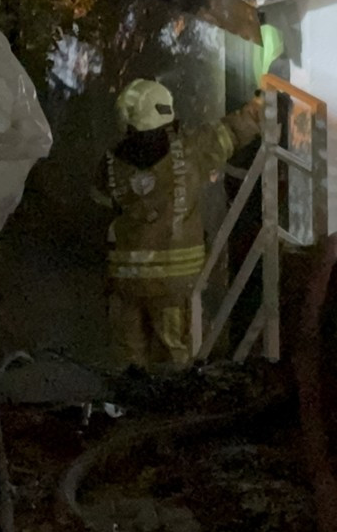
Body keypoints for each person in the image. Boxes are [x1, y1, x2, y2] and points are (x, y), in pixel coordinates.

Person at [92, 79, 264, 368]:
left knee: (128, 363)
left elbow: (102, 208)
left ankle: (132, 410)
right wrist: (262, 102)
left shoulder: (109, 163)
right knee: (177, 360)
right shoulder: (192, 150)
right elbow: (234, 130)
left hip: (126, 283)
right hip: (174, 287)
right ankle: (179, 409)